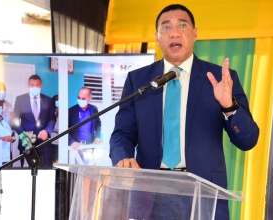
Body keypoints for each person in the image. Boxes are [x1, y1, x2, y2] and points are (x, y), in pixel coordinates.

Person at [109, 4, 259, 220]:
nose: (175, 33)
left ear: (195, 33)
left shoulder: (219, 78)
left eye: (182, 25)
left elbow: (248, 140)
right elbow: (122, 133)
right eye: (166, 27)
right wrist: (123, 157)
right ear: (157, 36)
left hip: (203, 194)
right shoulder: (139, 80)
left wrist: (229, 106)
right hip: (150, 193)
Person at [13, 75, 55, 168]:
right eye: (32, 85)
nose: (34, 87)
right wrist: (23, 135)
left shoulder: (48, 100)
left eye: (37, 85)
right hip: (26, 143)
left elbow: (52, 118)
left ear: (41, 86)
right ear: (28, 85)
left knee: (45, 171)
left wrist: (47, 131)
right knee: (27, 173)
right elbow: (14, 120)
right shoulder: (20, 99)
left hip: (44, 143)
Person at [68, 87, 101, 165]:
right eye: (79, 98)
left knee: (89, 172)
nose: (80, 100)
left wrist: (98, 136)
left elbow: (98, 123)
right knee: (75, 173)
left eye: (83, 98)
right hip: (75, 148)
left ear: (90, 98)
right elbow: (65, 129)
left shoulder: (94, 109)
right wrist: (71, 141)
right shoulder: (71, 111)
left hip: (89, 146)